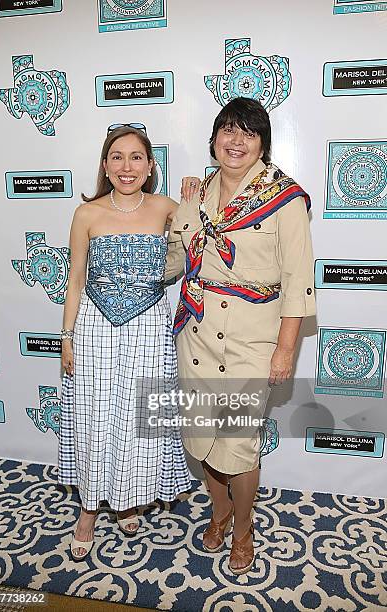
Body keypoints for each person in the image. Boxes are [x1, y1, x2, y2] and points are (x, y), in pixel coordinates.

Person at [165, 97, 315, 575]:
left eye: (248, 133)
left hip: (253, 339)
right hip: (197, 333)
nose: (236, 141)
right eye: (227, 131)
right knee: (201, 436)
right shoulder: (195, 195)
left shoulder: (284, 198)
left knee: (238, 443)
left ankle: (244, 527)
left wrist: (286, 349)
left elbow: (297, 279)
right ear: (213, 141)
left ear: (263, 146)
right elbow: (172, 261)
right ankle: (219, 509)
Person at [58, 125, 190, 561]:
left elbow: (214, 218)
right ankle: (89, 510)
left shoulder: (168, 208)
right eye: (117, 157)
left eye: (137, 157)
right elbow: (75, 278)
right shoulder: (87, 214)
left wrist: (195, 190)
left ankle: (128, 499)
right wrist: (67, 336)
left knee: (139, 418)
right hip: (96, 326)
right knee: (94, 418)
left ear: (151, 165)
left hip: (150, 327)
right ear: (105, 165)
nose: (127, 166)